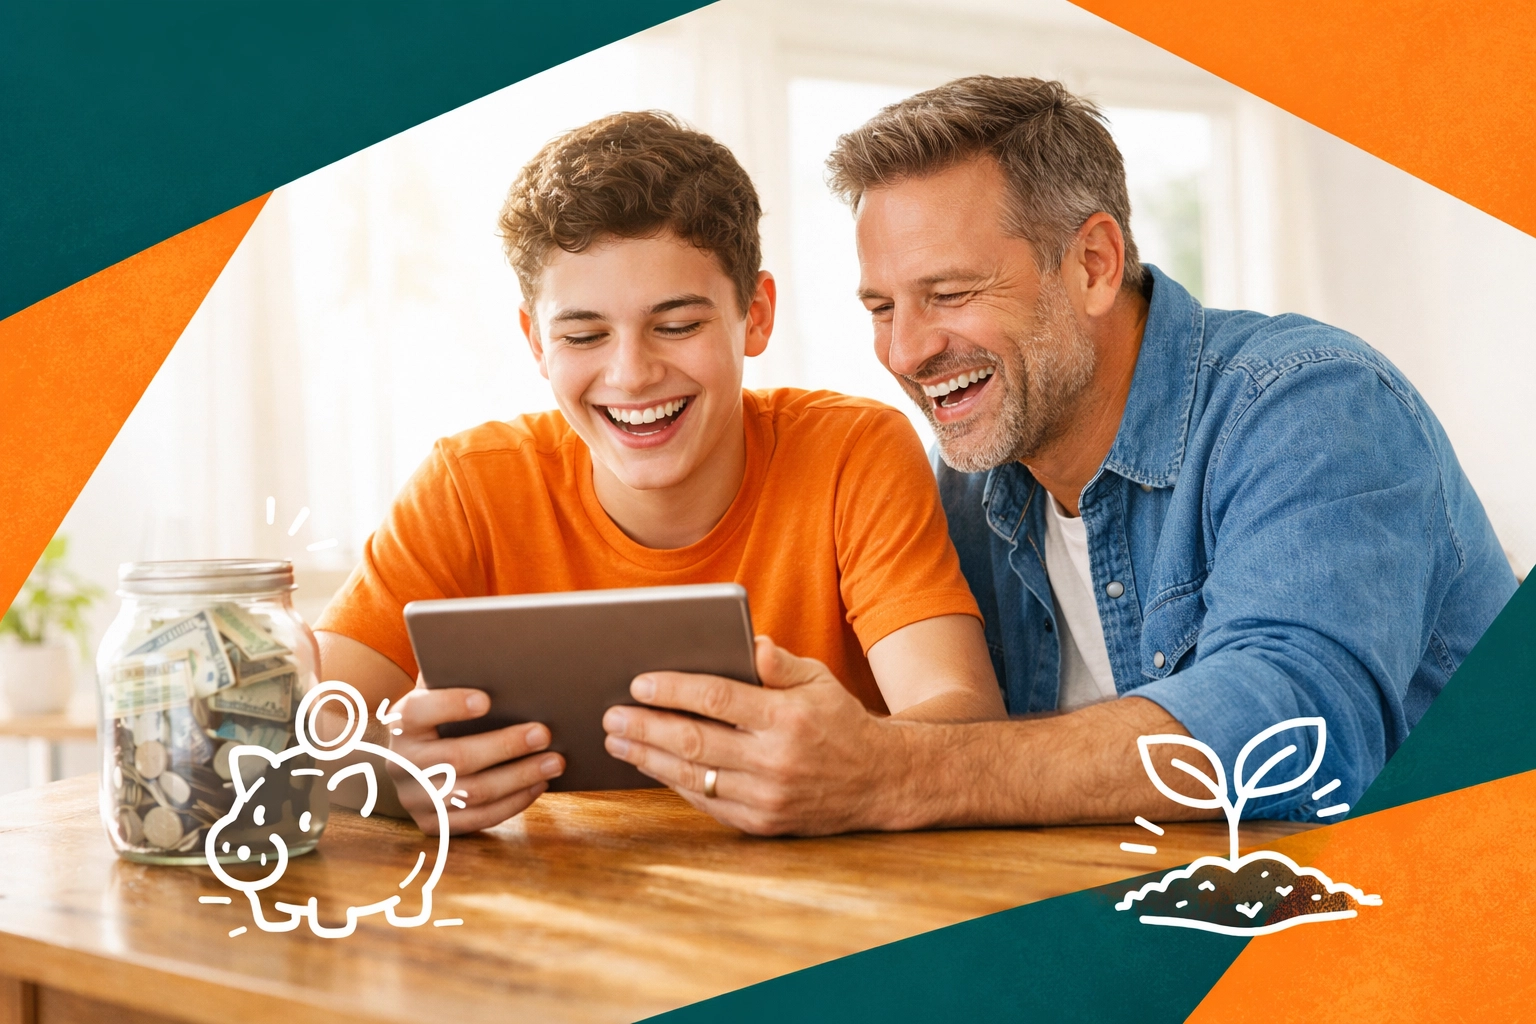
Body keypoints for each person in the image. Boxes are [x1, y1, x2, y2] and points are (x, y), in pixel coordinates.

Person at [601, 76, 1518, 834]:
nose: (905, 352)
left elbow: (1289, 729)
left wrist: (896, 773)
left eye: (950, 293)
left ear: (1092, 263)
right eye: (881, 308)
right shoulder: (971, 481)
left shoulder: (1312, 404)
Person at [315, 111, 1004, 835]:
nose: (632, 373)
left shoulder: (849, 452)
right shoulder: (470, 484)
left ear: (756, 315)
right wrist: (395, 778)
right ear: (536, 342)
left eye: (677, 326)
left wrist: (863, 764)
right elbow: (305, 738)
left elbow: (964, 714)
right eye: (583, 334)